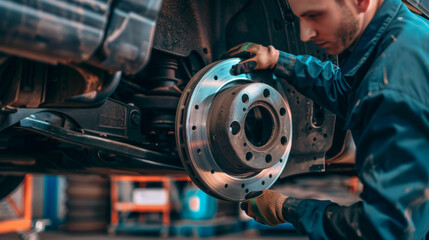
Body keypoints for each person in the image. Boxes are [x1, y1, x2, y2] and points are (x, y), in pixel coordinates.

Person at [223, 0, 429, 239]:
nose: (305, 34)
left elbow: (385, 230)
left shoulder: (394, 85)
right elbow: (346, 91)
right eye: (300, 18)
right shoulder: (399, 36)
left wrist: (286, 208)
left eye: (315, 16)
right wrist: (277, 59)